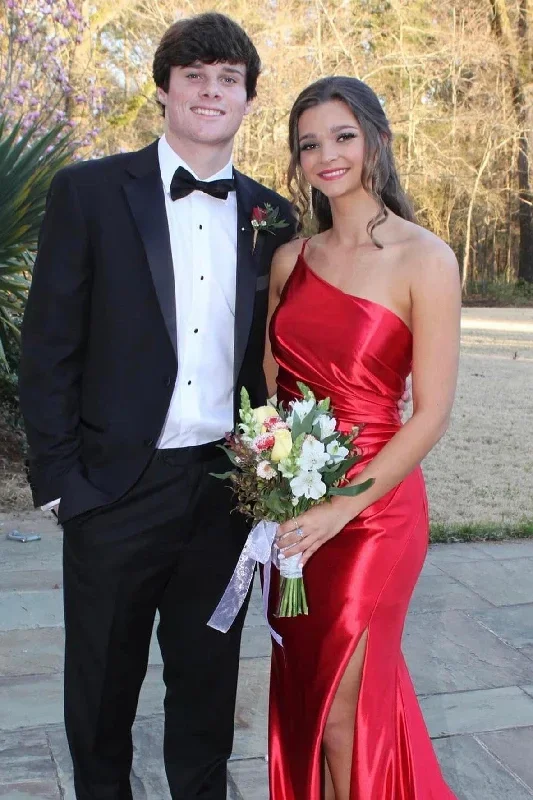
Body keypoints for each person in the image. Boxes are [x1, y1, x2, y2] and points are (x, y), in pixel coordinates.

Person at [18, 13, 296, 800]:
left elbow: (275, 354)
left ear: (247, 99)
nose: (212, 92)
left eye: (228, 80)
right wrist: (64, 482)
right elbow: (49, 347)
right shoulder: (89, 192)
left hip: (223, 492)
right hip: (113, 488)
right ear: (165, 90)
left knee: (206, 687)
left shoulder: (271, 216)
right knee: (101, 688)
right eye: (196, 77)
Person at [264, 76, 461, 799]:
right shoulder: (290, 261)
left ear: (376, 138)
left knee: (343, 711)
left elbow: (431, 413)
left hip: (373, 515)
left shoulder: (425, 259)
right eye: (309, 143)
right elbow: (273, 392)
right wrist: (269, 481)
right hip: (292, 512)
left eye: (342, 135)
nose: (327, 155)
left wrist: (339, 508)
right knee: (310, 691)